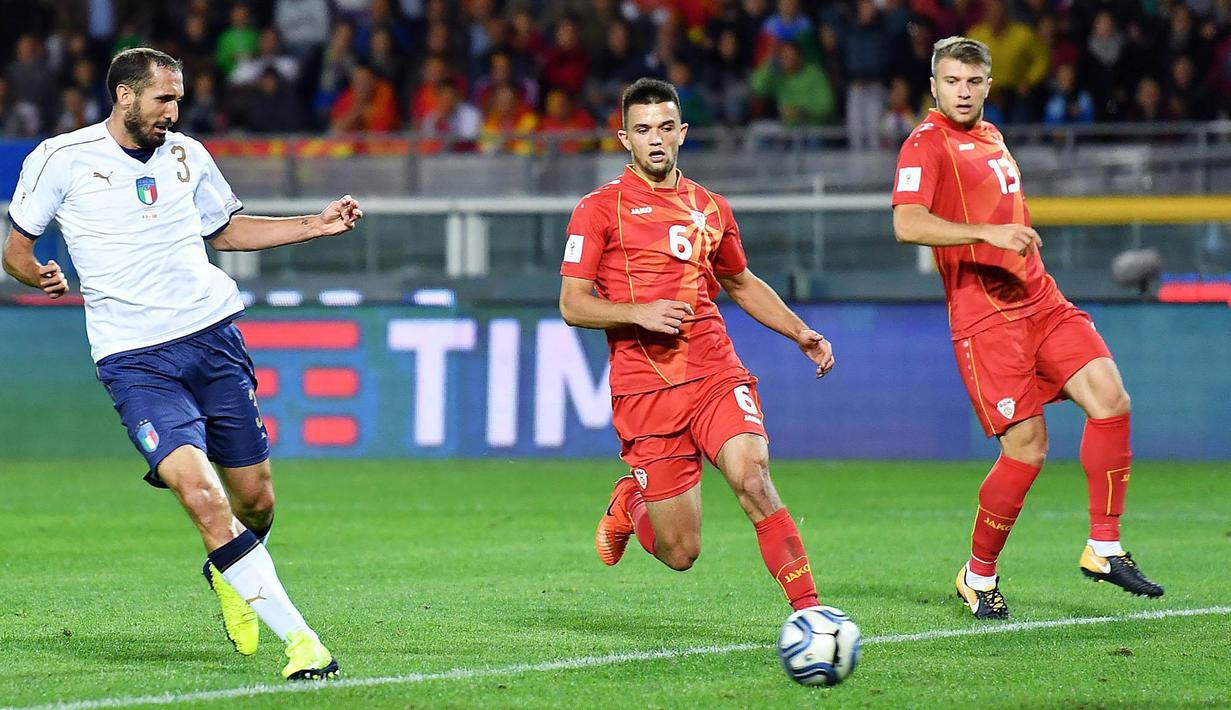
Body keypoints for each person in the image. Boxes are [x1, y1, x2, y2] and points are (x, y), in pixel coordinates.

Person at [1, 48, 360, 678]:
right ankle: (304, 644)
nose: (175, 110)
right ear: (124, 95)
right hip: (134, 359)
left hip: (211, 337)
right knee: (201, 494)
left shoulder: (188, 155)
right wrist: (38, 275)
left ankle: (230, 569)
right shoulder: (60, 158)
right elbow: (17, 249)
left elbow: (225, 230)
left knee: (256, 501)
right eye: (164, 98)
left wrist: (315, 225)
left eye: (179, 99)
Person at [890, 37, 1164, 620]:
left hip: (1041, 299)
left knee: (1111, 400)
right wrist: (984, 233)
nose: (962, 92)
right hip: (986, 318)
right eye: (952, 82)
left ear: (988, 84)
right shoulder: (925, 144)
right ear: (934, 86)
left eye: (973, 81)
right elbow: (907, 223)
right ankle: (978, 575)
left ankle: (1104, 546)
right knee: (1027, 448)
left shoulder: (992, 135)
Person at [558, 78, 835, 613]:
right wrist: (636, 312)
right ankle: (629, 500)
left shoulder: (711, 207)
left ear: (682, 133)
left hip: (713, 371)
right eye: (643, 130)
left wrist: (799, 330)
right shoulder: (598, 210)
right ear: (624, 139)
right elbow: (572, 303)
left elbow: (740, 281)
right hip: (646, 389)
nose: (655, 140)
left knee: (752, 476)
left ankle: (811, 615)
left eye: (665, 128)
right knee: (680, 551)